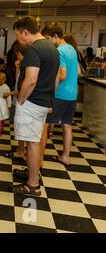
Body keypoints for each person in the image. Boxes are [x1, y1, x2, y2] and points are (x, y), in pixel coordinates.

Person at [9, 17, 60, 197]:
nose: (19, 41)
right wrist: (50, 99)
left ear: (25, 32)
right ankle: (33, 173)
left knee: (31, 144)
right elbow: (55, 78)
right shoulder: (52, 48)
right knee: (35, 142)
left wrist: (21, 100)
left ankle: (32, 185)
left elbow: (31, 80)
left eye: (18, 36)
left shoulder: (34, 50)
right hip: (43, 102)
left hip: (32, 102)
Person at [40, 24, 80, 167]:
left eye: (48, 39)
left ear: (55, 37)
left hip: (60, 94)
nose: (47, 42)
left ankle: (39, 160)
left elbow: (62, 75)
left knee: (44, 125)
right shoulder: (72, 49)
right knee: (67, 125)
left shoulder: (59, 51)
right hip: (72, 94)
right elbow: (78, 72)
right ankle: (65, 157)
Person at [4, 43, 29, 161]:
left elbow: (21, 87)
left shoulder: (29, 66)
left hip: (22, 101)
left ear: (19, 54)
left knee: (23, 127)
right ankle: (20, 150)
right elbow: (18, 80)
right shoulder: (23, 65)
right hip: (19, 100)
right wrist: (18, 68)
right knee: (19, 126)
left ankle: (23, 151)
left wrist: (11, 94)